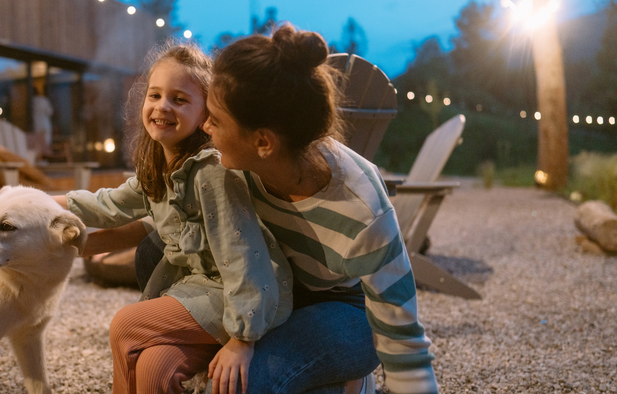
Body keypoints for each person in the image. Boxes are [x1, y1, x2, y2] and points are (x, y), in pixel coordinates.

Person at [135, 25, 439, 394]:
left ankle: (346, 382)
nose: (204, 125)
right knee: (153, 252)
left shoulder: (362, 210)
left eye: (216, 118)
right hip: (273, 288)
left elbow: (403, 338)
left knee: (235, 385)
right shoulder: (232, 166)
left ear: (263, 141)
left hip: (343, 308)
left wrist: (244, 343)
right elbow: (171, 216)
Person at [53, 42, 293, 394]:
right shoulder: (158, 169)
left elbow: (245, 256)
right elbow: (108, 205)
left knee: (125, 323)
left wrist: (243, 338)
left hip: (240, 298)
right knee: (153, 367)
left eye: (180, 99)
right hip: (198, 290)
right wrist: (41, 203)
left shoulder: (212, 172)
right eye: (155, 95)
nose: (162, 106)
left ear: (205, 115)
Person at [32, 84, 54, 150]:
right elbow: (50, 112)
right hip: (45, 125)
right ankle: (46, 158)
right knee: (46, 143)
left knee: (39, 145)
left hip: (36, 125)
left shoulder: (31, 102)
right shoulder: (43, 100)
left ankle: (43, 158)